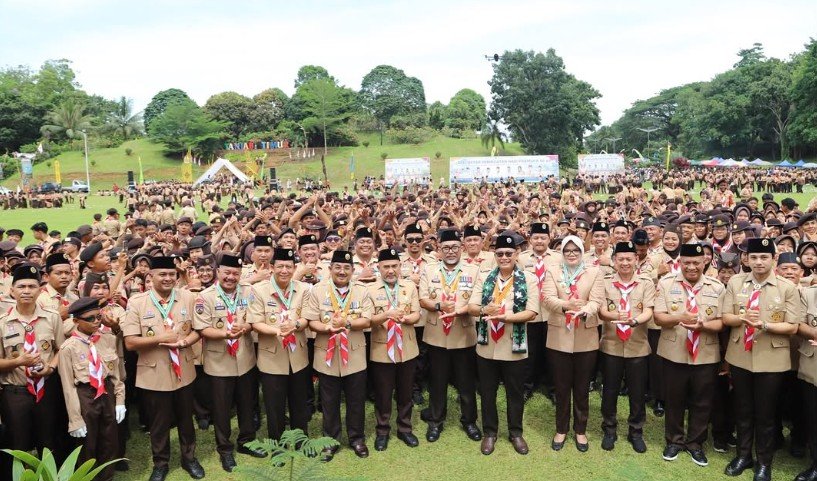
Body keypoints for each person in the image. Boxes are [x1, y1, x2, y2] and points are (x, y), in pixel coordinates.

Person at [721, 238, 803, 481]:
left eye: (764, 257)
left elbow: (793, 326)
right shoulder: (736, 282)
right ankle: (743, 456)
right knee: (743, 410)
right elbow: (726, 317)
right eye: (754, 257)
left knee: (766, 415)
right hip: (741, 355)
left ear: (773, 260)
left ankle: (764, 463)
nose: (758, 262)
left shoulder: (786, 287)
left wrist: (764, 325)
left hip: (772, 358)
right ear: (746, 259)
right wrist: (743, 320)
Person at [121, 256, 204, 481]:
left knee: (186, 419)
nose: (168, 279)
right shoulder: (137, 302)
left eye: (171, 275)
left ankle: (189, 458)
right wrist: (160, 338)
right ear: (151, 277)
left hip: (184, 371)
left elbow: (199, 330)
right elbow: (130, 342)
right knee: (159, 423)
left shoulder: (187, 297)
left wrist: (185, 342)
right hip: (153, 372)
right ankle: (161, 463)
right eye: (162, 275)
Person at [654, 243, 725, 467]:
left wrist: (705, 325)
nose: (691, 267)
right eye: (687, 263)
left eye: (696, 262)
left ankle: (695, 443)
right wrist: (679, 318)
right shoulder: (666, 284)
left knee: (702, 401)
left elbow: (722, 322)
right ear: (680, 263)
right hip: (674, 351)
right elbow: (658, 317)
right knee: (674, 399)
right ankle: (674, 440)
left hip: (705, 351)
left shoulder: (717, 287)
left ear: (705, 262)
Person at [193, 253, 265, 473]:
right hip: (219, 361)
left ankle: (246, 442)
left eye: (235, 273)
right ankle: (225, 450)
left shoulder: (249, 291)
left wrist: (245, 328)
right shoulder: (205, 297)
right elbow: (202, 328)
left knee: (247, 404)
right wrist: (224, 333)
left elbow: (254, 320)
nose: (231, 277)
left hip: (245, 359)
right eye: (227, 273)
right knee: (222, 410)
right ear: (218, 273)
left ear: (240, 274)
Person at [468, 233, 538, 455]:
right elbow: (472, 306)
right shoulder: (485, 276)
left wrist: (506, 318)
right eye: (500, 253)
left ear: (517, 254)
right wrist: (483, 310)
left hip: (513, 343)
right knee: (487, 392)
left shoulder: (528, 279)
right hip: (487, 344)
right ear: (494, 255)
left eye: (509, 253)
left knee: (514, 392)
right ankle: (490, 432)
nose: (504, 257)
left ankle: (516, 433)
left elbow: (532, 312)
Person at [302, 250, 373, 462]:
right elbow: (311, 320)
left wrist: (347, 323)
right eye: (338, 267)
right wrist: (326, 328)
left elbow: (367, 320)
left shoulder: (362, 291)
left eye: (347, 268)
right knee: (329, 401)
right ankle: (330, 441)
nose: (342, 272)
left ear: (353, 270)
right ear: (330, 269)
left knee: (356, 400)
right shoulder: (317, 291)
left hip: (355, 353)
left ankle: (356, 438)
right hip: (328, 354)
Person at [418, 229, 482, 444]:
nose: (451, 251)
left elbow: (477, 299)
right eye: (446, 248)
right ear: (439, 249)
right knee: (437, 381)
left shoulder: (474, 271)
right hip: (437, 334)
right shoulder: (430, 270)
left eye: (455, 247)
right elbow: (422, 298)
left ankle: (469, 420)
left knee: (466, 382)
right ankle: (436, 421)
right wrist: (438, 305)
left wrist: (461, 309)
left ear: (462, 248)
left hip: (463, 332)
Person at [542, 235, 604, 452]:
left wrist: (584, 310)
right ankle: (561, 429)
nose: (571, 254)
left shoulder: (594, 272)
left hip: (585, 336)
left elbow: (597, 300)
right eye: (567, 250)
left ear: (581, 252)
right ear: (562, 252)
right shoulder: (553, 271)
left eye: (575, 250)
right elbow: (547, 298)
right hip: (559, 337)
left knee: (581, 388)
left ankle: (580, 430)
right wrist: (567, 305)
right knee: (561, 388)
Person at [0, 264, 66, 462]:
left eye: (31, 286)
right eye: (21, 287)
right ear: (12, 291)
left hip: (47, 389)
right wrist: (18, 361)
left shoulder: (52, 317)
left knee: (49, 440)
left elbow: (60, 350)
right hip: (15, 392)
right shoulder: (2, 322)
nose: (27, 291)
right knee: (17, 444)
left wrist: (51, 367)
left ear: (40, 289)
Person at [58, 297, 126, 481]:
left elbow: (116, 374)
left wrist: (120, 401)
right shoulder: (68, 348)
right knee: (87, 443)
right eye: (90, 318)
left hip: (107, 391)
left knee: (109, 440)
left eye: (98, 316)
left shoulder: (107, 339)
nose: (96, 321)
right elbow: (68, 387)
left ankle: (107, 476)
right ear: (75, 321)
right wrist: (75, 420)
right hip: (85, 395)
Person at [597, 241, 655, 453]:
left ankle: (636, 431)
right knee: (610, 390)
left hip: (637, 345)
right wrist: (616, 316)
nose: (625, 262)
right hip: (611, 345)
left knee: (637, 392)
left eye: (629, 258)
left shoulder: (646, 283)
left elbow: (649, 310)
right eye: (620, 258)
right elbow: (602, 311)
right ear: (614, 261)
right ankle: (609, 429)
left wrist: (636, 320)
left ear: (636, 260)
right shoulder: (604, 282)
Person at [249, 247, 311, 441]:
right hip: (272, 356)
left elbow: (308, 317)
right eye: (280, 266)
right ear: (272, 267)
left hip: (298, 356)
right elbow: (255, 322)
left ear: (294, 269)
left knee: (299, 403)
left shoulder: (303, 289)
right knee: (274, 406)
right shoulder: (258, 290)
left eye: (289, 267)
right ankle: (276, 444)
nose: (284, 270)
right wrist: (277, 331)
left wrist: (297, 324)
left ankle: (300, 441)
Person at [367, 248, 421, 451]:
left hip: (407, 347)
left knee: (406, 391)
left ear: (400, 267)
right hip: (382, 349)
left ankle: (405, 428)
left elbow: (416, 313)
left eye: (394, 266)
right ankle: (382, 431)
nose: (390, 270)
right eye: (386, 266)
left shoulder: (409, 286)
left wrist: (406, 319)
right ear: (378, 268)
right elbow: (368, 320)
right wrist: (387, 315)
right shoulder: (370, 290)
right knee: (383, 393)